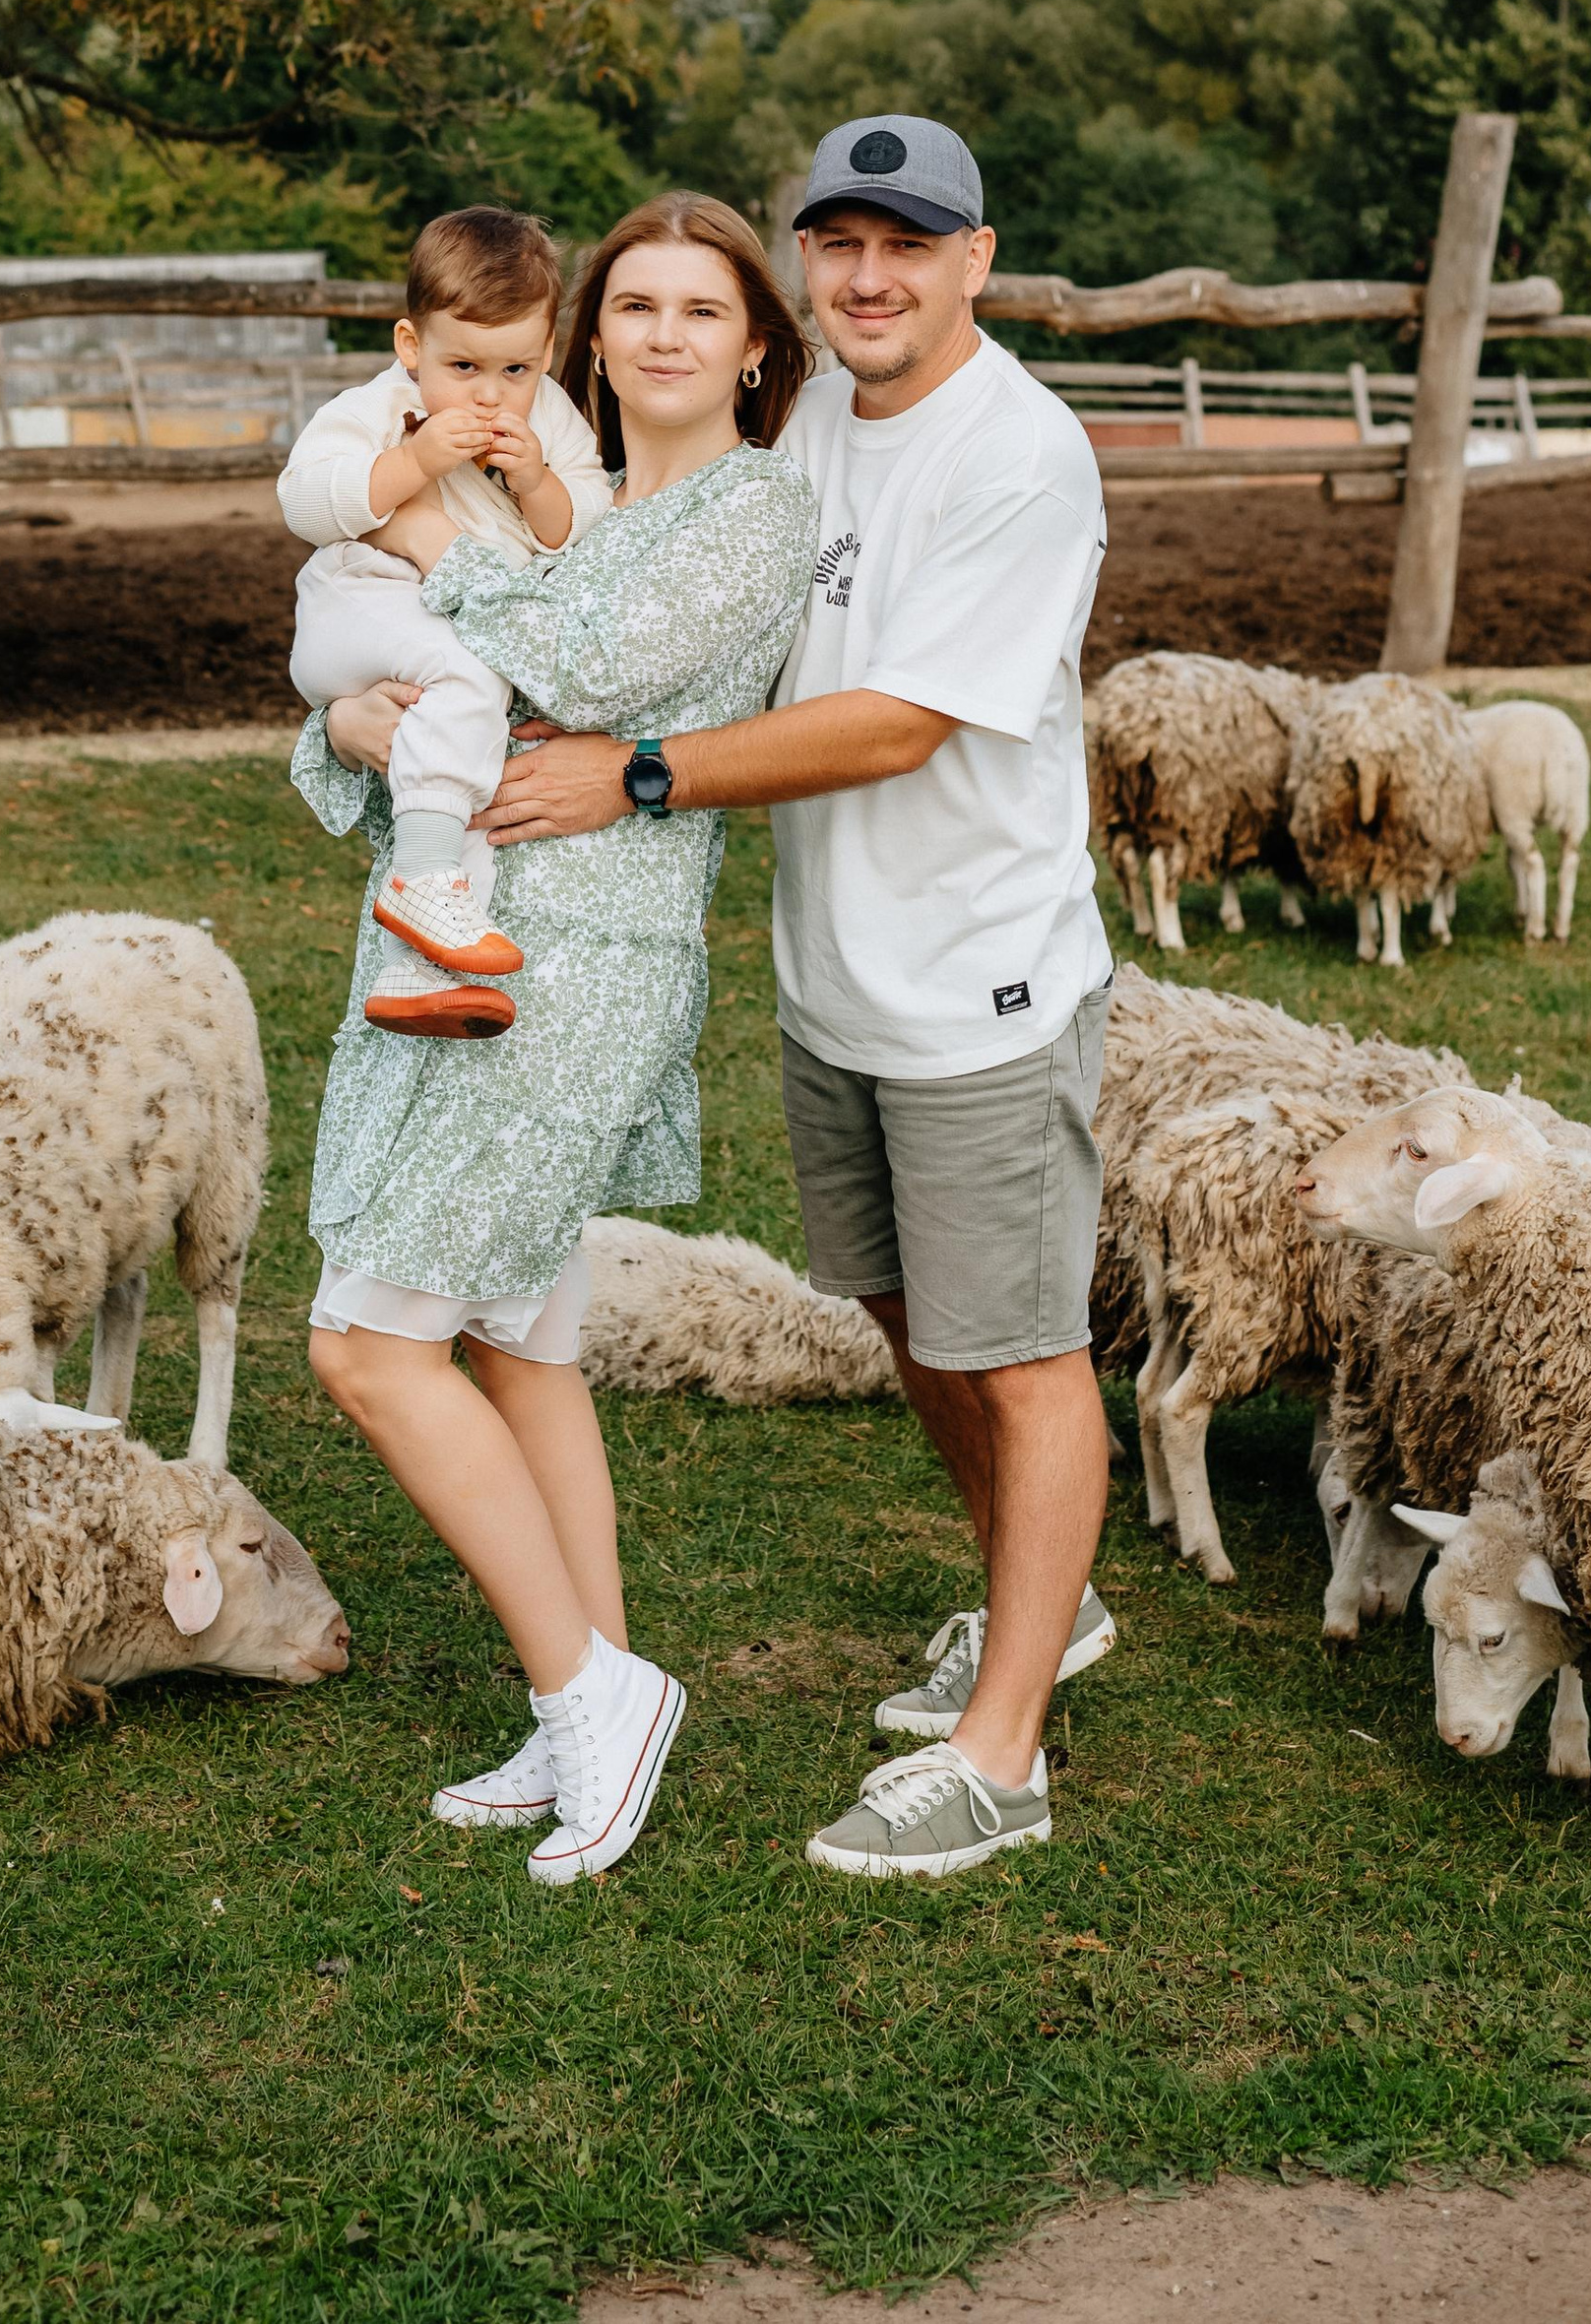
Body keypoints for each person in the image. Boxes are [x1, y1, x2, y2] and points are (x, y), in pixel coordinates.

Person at [468, 112, 1114, 1882]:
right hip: (835, 974)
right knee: (905, 1314)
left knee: (1023, 1351)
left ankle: (1003, 1754)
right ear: (808, 263)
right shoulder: (812, 413)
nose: (871, 276)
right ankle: (1038, 1599)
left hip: (981, 980)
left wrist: (637, 772)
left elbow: (901, 721)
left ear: (976, 259)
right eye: (841, 242)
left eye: (909, 244)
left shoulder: (1021, 454)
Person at [297, 193, 818, 1889]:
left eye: (703, 308)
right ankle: (587, 1690)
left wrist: (414, 534)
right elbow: (411, 699)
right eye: (636, 304)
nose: (665, 333)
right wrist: (351, 719)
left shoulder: (750, 507)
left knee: (371, 1343)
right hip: (454, 935)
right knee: (520, 1336)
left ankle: (592, 1686)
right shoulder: (566, 490)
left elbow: (583, 664)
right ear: (590, 334)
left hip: (575, 964)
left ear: (757, 347)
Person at [280, 205, 613, 1035]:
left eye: (516, 369)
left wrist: (536, 481)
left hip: (439, 630)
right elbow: (304, 503)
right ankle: (421, 880)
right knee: (471, 674)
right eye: (463, 366)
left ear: (545, 354)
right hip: (360, 603)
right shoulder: (376, 407)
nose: (490, 394)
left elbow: (581, 525)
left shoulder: (549, 420)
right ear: (411, 345)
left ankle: (420, 970)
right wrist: (413, 460)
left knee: (474, 770)